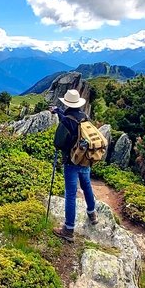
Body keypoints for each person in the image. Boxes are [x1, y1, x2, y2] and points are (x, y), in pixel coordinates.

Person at [50, 89, 97, 242]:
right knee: (87, 186)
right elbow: (71, 120)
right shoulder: (84, 117)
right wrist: (58, 112)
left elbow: (58, 142)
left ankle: (68, 229)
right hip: (85, 159)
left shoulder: (66, 120)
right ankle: (92, 214)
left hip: (71, 161)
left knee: (70, 194)